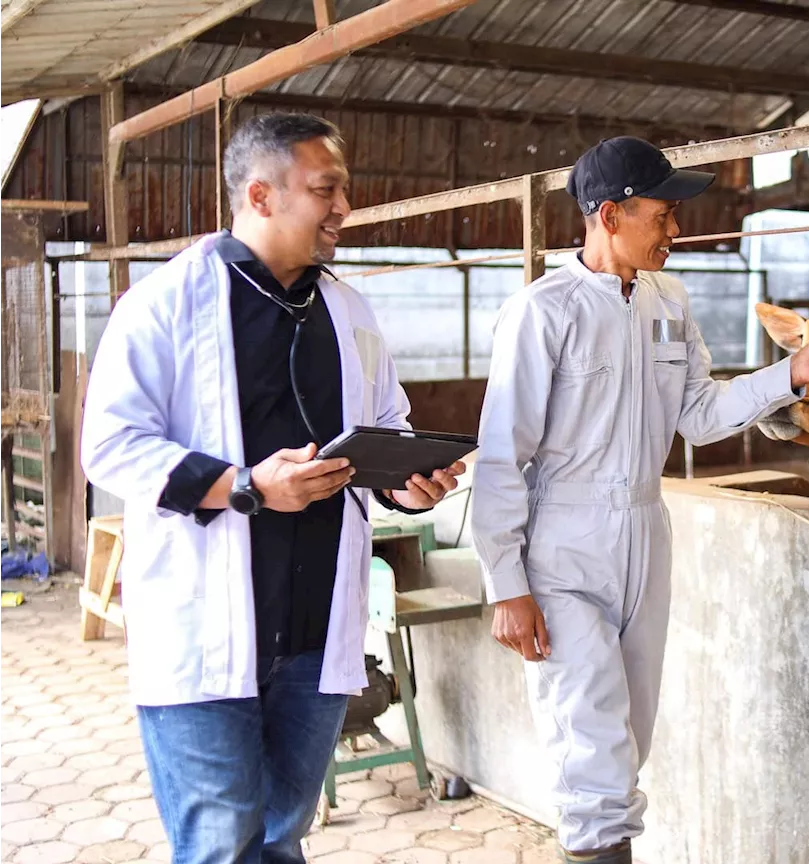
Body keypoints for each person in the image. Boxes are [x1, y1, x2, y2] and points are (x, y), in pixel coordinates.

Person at [471, 136, 809, 863]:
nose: (675, 229)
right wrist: (507, 584)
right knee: (592, 738)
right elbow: (504, 455)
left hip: (645, 525)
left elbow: (698, 413)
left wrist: (795, 374)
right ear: (609, 214)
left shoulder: (669, 299)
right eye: (662, 214)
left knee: (630, 731)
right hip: (564, 541)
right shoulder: (543, 312)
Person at [80, 113, 465, 864]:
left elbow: (386, 426)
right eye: (326, 190)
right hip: (205, 635)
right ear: (260, 195)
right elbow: (111, 446)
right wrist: (246, 487)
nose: (343, 208)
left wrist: (409, 487)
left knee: (283, 836)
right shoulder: (165, 304)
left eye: (344, 190)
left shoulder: (350, 311)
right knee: (221, 847)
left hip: (315, 636)